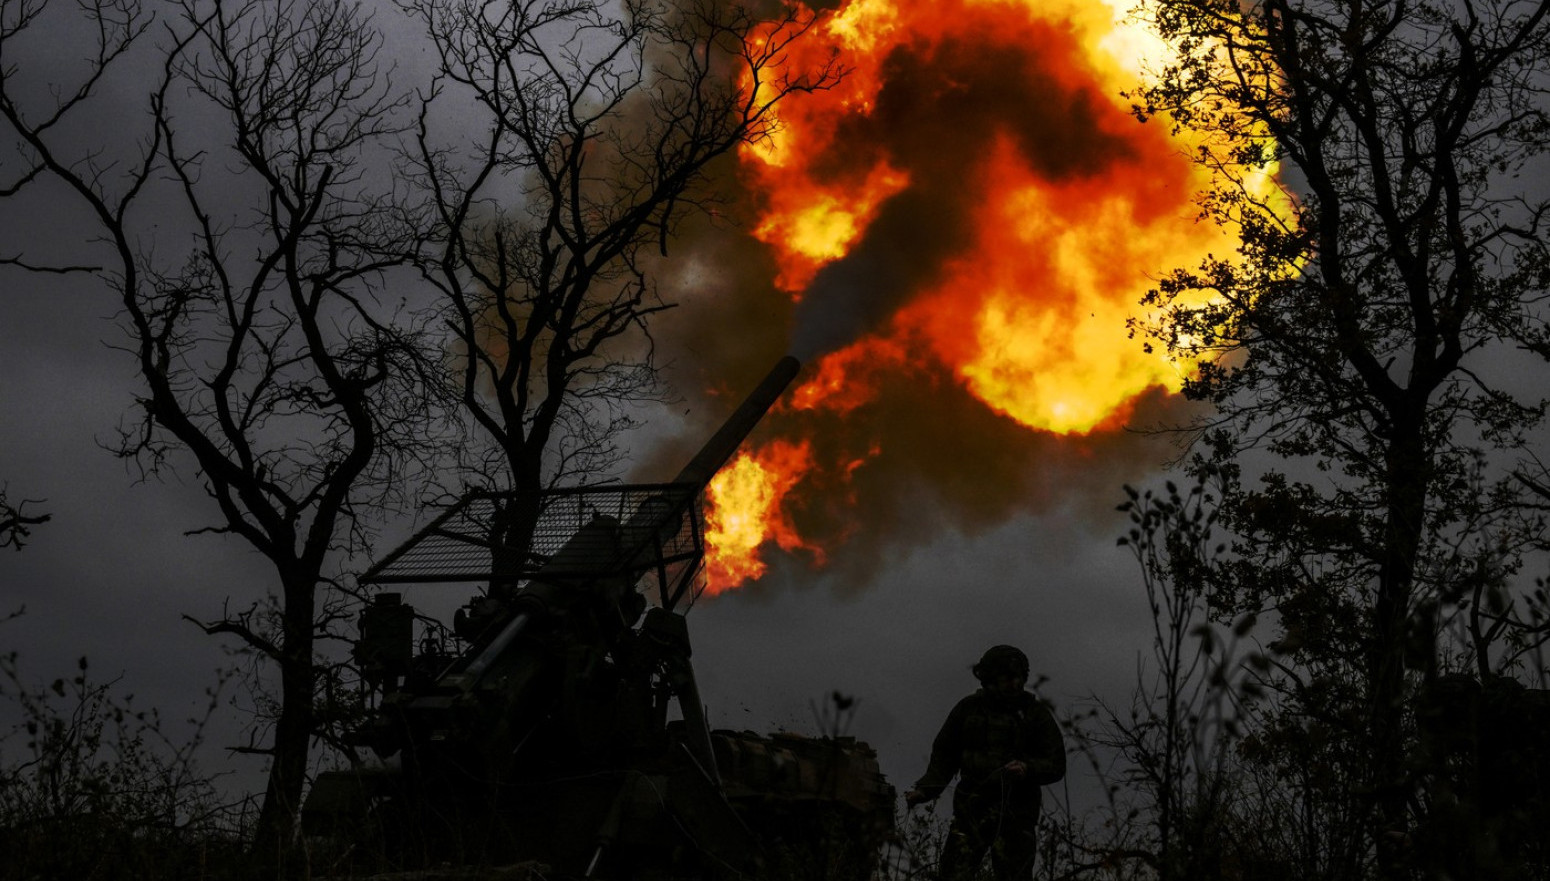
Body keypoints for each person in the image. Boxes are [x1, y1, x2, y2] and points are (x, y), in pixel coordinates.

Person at [903, 645, 1065, 881]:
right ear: (990, 679)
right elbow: (944, 756)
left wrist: (1027, 769)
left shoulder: (1034, 714)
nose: (1014, 684)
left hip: (1016, 815)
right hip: (972, 810)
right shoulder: (968, 710)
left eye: (1018, 678)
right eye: (1007, 678)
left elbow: (1056, 763)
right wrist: (924, 790)